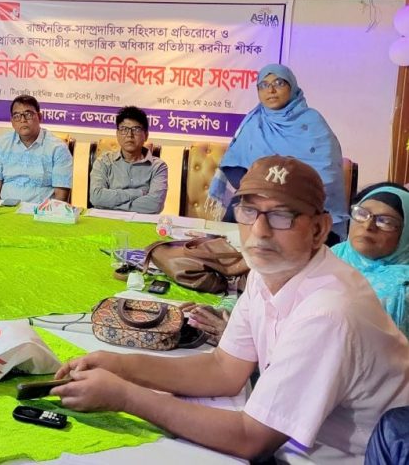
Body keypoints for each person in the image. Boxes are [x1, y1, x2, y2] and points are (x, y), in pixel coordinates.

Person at [52, 156, 409, 462]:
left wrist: (124, 395)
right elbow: (224, 369)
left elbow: (251, 438)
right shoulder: (270, 270)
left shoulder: (329, 311)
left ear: (319, 229)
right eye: (249, 210)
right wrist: (119, 366)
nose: (260, 230)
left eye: (282, 215)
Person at [206, 63, 348, 243]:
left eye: (279, 83)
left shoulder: (313, 122)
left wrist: (282, 195)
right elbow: (235, 167)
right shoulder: (253, 122)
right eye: (264, 85)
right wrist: (261, 192)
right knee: (235, 225)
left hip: (300, 205)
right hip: (256, 201)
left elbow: (327, 174)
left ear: (292, 87)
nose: (271, 90)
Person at [332, 182, 409, 336]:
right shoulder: (327, 258)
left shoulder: (404, 286)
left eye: (385, 221)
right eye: (361, 214)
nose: (368, 226)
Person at [0, 95, 72, 203]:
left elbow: (61, 197)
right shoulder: (0, 145)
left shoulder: (58, 149)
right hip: (5, 209)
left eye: (28, 114)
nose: (23, 120)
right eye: (17, 116)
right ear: (12, 121)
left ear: (39, 117)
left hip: (41, 211)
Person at [89, 106, 168, 213]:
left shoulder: (158, 167)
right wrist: (138, 193)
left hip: (141, 221)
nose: (129, 135)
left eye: (136, 129)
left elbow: (154, 205)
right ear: (117, 134)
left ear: (146, 135)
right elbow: (96, 197)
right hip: (108, 220)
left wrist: (110, 205)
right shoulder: (104, 161)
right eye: (124, 129)